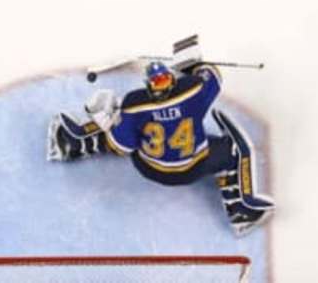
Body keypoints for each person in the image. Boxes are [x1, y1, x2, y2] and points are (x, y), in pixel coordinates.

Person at [47, 41, 274, 236]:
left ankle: (71, 143)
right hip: (193, 167)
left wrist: (110, 119)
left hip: (151, 168)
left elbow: (121, 146)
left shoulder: (135, 103)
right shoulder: (192, 91)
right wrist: (195, 65)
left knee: (119, 121)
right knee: (234, 149)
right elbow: (214, 76)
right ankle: (241, 211)